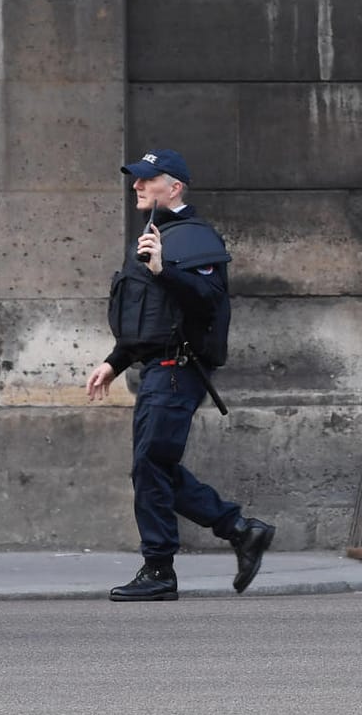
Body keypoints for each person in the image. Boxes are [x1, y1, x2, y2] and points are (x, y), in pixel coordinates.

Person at [84, 148, 274, 601]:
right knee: (154, 465)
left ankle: (160, 570)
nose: (137, 185)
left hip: (178, 369)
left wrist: (163, 269)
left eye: (148, 179)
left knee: (150, 465)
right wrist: (115, 362)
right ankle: (239, 529)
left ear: (175, 188)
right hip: (157, 367)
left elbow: (206, 299)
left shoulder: (192, 237)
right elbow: (149, 317)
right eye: (137, 179)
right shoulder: (154, 235)